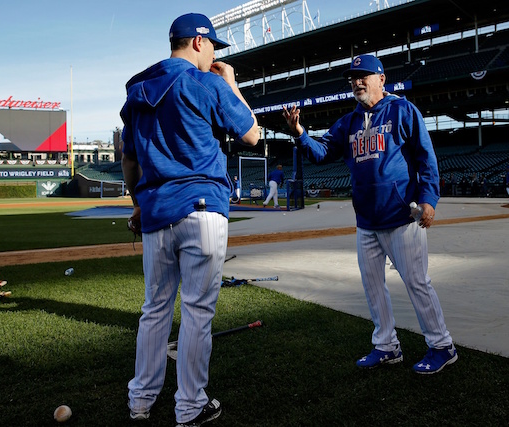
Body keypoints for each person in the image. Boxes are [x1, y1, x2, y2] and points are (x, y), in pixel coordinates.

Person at [120, 12, 259, 425]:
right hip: (202, 209)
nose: (215, 52)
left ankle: (140, 400)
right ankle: (190, 405)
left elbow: (129, 160)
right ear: (198, 42)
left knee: (155, 309)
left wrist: (138, 202)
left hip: (156, 210)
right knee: (197, 312)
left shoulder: (139, 89)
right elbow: (253, 133)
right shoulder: (206, 82)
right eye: (213, 44)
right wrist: (231, 82)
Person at [283, 54, 457, 374]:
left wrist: (429, 199)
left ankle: (442, 345)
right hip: (366, 221)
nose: (357, 81)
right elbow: (322, 154)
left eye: (364, 75)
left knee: (417, 283)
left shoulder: (402, 110)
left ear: (381, 78)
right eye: (353, 77)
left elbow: (425, 157)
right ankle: (386, 345)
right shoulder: (348, 122)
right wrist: (299, 133)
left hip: (402, 216)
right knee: (373, 286)